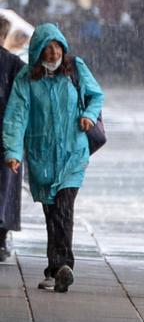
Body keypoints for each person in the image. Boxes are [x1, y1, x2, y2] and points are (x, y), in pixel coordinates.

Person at [3, 23, 104, 292]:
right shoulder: (26, 78)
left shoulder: (75, 68)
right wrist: (13, 152)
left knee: (63, 206)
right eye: (47, 49)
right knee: (52, 211)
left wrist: (88, 116)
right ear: (37, 51)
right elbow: (16, 117)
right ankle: (54, 269)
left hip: (73, 155)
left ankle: (62, 265)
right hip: (41, 157)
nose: (52, 53)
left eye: (57, 47)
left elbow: (96, 96)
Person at [0, 17, 23, 262]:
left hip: (8, 136)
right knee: (6, 187)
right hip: (9, 136)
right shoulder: (15, 63)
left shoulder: (14, 63)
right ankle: (1, 237)